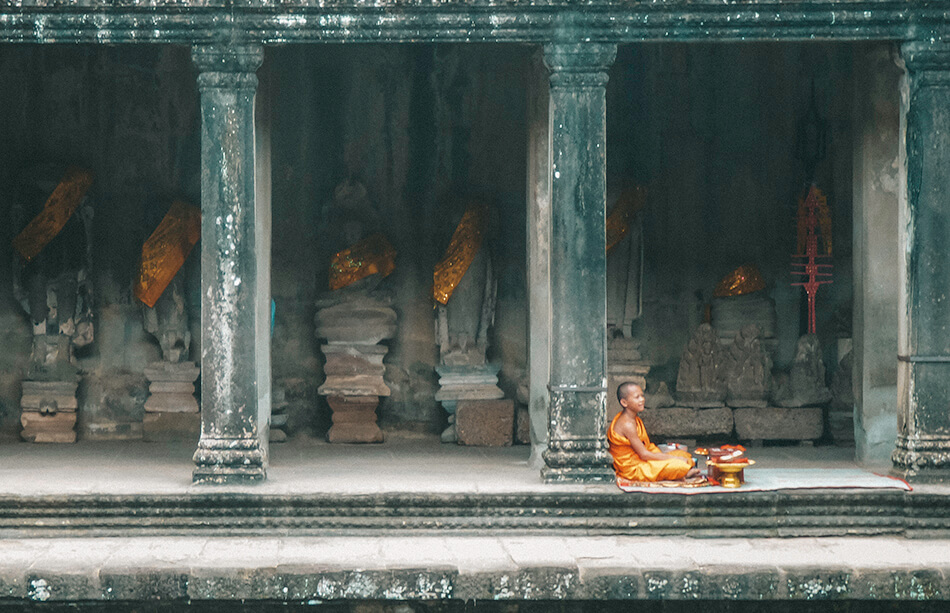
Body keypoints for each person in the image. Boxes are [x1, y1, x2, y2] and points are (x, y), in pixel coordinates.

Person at [608, 381, 702, 482]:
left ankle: (679, 473)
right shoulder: (627, 424)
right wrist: (673, 459)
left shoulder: (634, 419)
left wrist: (673, 457)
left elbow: (646, 448)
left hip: (642, 458)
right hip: (633, 468)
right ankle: (682, 473)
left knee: (684, 455)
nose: (642, 400)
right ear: (624, 402)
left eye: (642, 396)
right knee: (679, 465)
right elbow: (644, 454)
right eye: (637, 397)